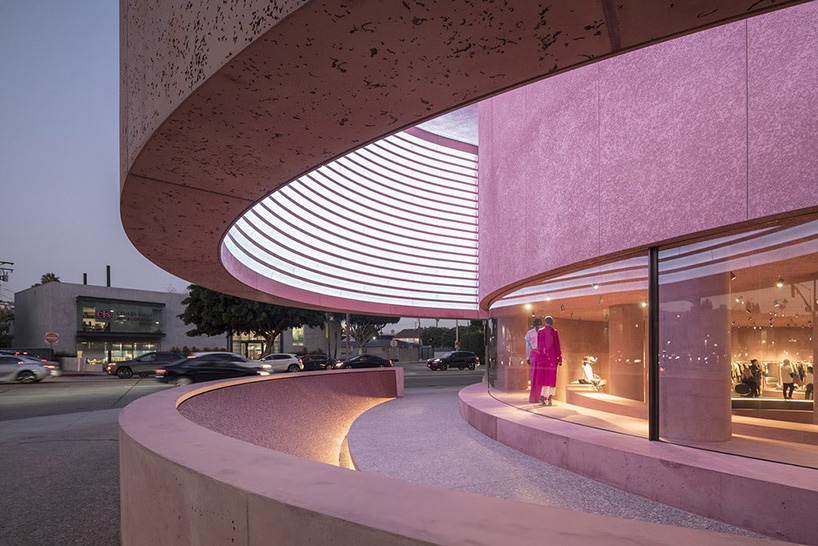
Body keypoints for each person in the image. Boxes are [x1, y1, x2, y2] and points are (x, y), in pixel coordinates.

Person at [532, 315, 562, 406]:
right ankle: (550, 397)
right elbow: (557, 345)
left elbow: (539, 346)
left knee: (544, 377)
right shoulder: (554, 332)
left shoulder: (540, 332)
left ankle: (542, 395)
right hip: (552, 358)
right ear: (552, 322)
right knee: (552, 378)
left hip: (542, 359)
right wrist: (559, 358)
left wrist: (539, 357)